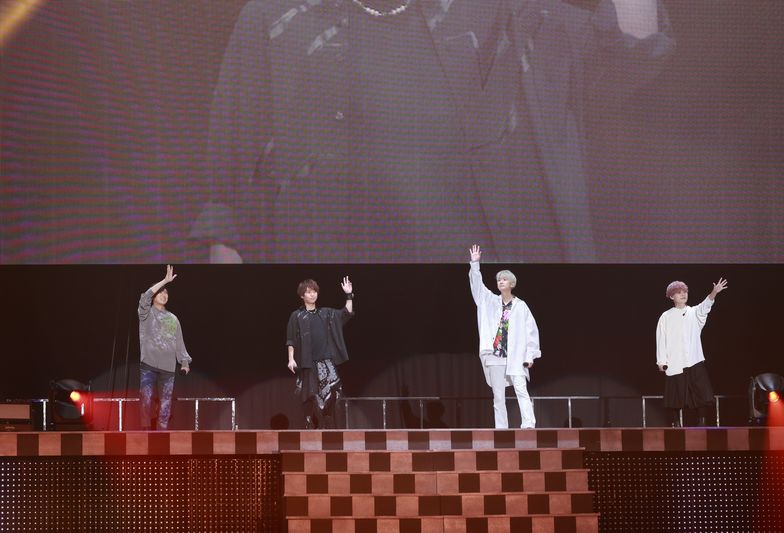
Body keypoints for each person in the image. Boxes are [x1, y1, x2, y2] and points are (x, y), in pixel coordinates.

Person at [192, 0, 674, 263]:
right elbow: (229, 212)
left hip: (472, 333)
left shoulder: (497, 15)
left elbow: (629, 49)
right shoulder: (275, 19)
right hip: (339, 331)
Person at [469, 244, 541, 428]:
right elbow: (477, 288)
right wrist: (475, 265)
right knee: (498, 396)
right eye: (499, 280)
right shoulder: (489, 301)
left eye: (504, 279)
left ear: (511, 284)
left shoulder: (521, 306)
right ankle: (501, 429)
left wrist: (530, 356)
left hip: (515, 355)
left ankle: (529, 423)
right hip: (495, 354)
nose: (500, 282)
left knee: (521, 389)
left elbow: (531, 332)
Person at [656, 277, 728, 427]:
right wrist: (662, 361)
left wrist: (714, 292)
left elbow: (706, 305)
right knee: (675, 396)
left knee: (701, 392)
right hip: (675, 362)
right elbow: (661, 339)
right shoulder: (666, 316)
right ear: (671, 296)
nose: (683, 294)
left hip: (694, 360)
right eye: (679, 292)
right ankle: (675, 424)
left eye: (685, 291)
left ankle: (702, 422)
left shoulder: (694, 312)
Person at [286, 276, 354, 429]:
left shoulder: (326, 313)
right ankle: (308, 423)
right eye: (309, 292)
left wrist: (348, 295)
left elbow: (346, 313)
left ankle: (327, 422)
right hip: (308, 362)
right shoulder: (296, 316)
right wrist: (291, 359)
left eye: (314, 291)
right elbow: (291, 339)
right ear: (302, 295)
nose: (312, 294)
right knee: (309, 393)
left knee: (333, 390)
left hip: (326, 360)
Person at [138, 265, 192, 430]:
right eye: (160, 292)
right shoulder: (146, 313)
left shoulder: (173, 319)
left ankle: (162, 432)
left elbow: (179, 342)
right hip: (148, 365)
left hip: (168, 368)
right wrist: (165, 281)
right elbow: (145, 297)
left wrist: (184, 362)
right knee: (146, 399)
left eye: (166, 293)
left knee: (166, 403)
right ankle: (146, 430)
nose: (164, 295)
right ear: (154, 296)